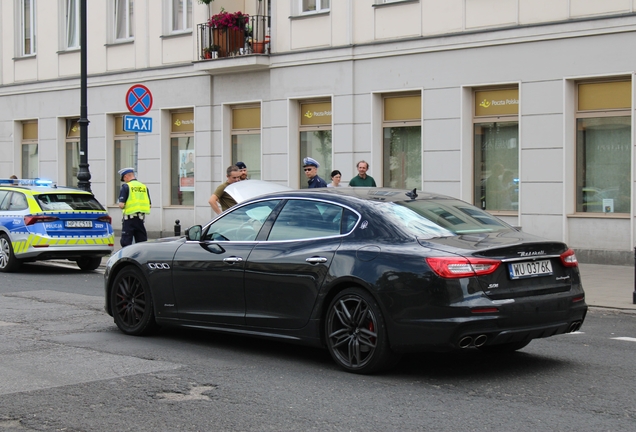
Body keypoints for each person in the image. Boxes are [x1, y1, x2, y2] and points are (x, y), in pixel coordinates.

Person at [118, 167, 151, 248]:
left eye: (124, 179)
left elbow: (121, 205)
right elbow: (149, 205)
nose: (124, 181)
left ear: (126, 176)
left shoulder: (126, 186)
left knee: (126, 243)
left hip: (129, 219)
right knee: (142, 242)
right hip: (140, 219)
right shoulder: (143, 187)